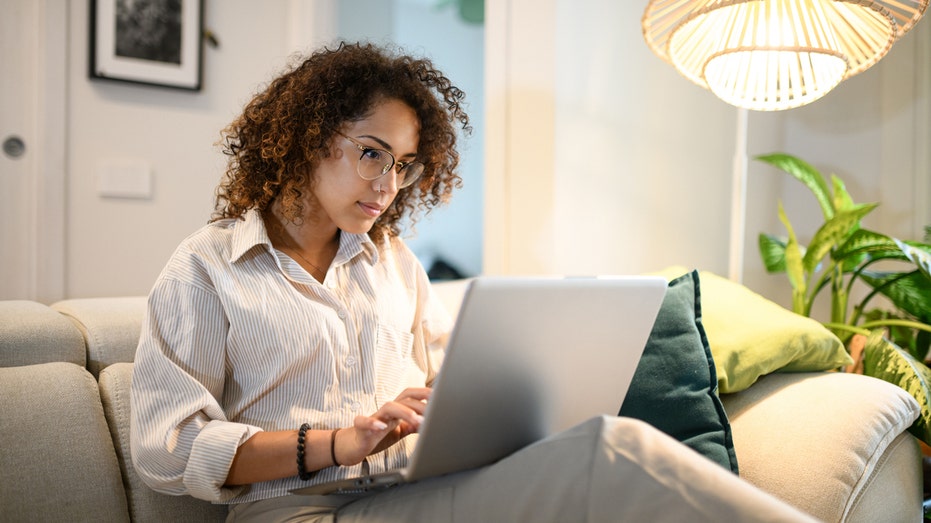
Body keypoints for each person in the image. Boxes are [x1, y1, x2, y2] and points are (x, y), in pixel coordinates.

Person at [131, 42, 817, 522]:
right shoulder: (205, 269)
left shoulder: (391, 261)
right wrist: (339, 440)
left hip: (408, 495)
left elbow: (449, 386)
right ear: (309, 138)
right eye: (372, 153)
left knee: (596, 443)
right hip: (294, 511)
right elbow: (167, 452)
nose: (388, 184)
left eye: (403, 164)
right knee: (614, 452)